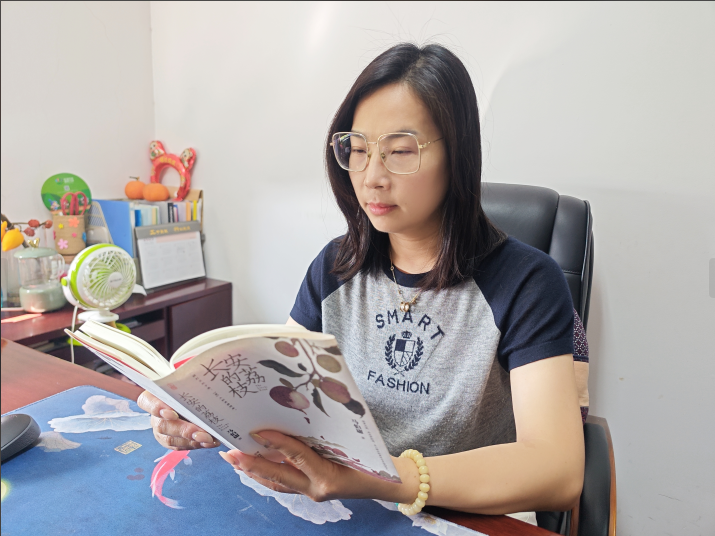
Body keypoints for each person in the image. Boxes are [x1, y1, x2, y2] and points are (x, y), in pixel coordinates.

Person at [138, 43, 586, 518]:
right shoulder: (336, 266)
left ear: (457, 155)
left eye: (400, 151)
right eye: (357, 149)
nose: (371, 177)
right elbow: (282, 397)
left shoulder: (526, 283)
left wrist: (384, 479)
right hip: (344, 509)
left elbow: (556, 470)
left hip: (463, 519)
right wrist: (207, 418)